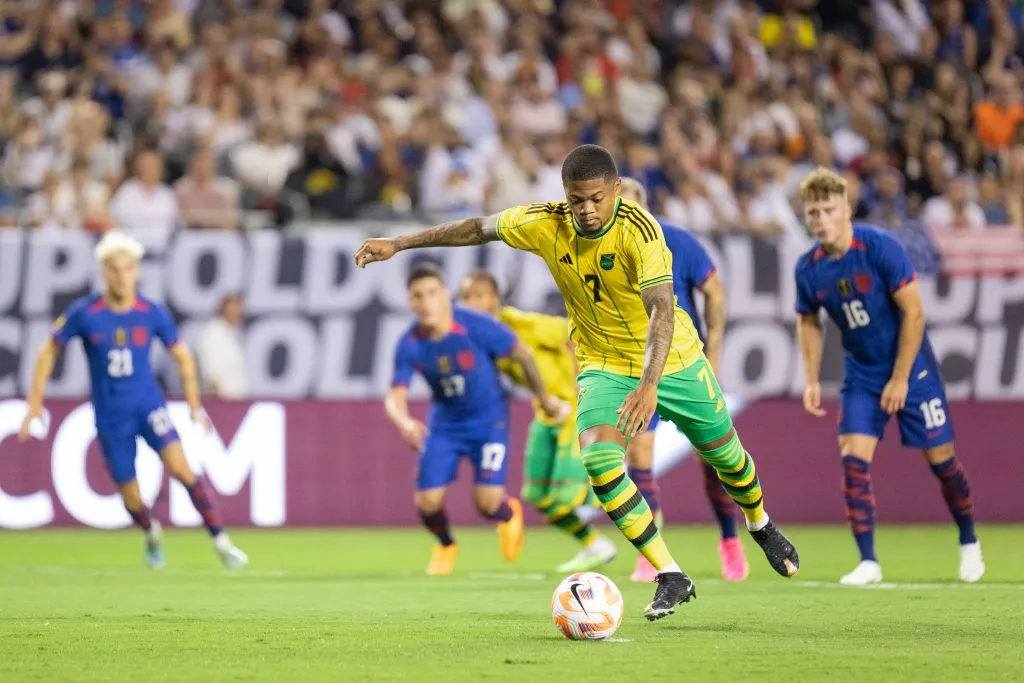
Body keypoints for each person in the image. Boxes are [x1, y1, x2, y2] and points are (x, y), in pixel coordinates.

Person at [357, 144, 800, 622]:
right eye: (576, 199)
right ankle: (670, 573)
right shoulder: (545, 221)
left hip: (674, 361)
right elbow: (474, 228)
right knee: (601, 464)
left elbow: (662, 313)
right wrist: (400, 243)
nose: (585, 210)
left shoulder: (642, 232)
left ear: (615, 190)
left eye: (595, 198)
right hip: (603, 364)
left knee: (726, 458)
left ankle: (760, 523)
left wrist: (649, 385)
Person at [794, 167, 984, 585]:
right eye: (813, 213)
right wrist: (810, 378)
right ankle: (868, 561)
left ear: (846, 209)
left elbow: (914, 312)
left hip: (912, 369)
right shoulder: (808, 268)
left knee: (943, 463)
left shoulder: (880, 246)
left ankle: (969, 541)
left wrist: (900, 379)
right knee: (853, 460)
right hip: (862, 373)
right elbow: (807, 320)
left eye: (828, 210)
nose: (821, 220)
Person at [18, 232, 248, 570]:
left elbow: (183, 356)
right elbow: (48, 350)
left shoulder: (151, 312)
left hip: (149, 406)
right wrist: (34, 403)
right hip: (111, 417)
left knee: (182, 468)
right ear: (104, 273)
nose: (122, 276)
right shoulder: (85, 312)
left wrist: (194, 404)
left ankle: (222, 542)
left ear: (137, 272)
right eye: (115, 269)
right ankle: (151, 530)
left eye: (128, 269)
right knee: (131, 496)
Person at [386, 263, 564, 576]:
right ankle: (445, 544)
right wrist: (405, 422)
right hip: (445, 425)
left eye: (431, 293)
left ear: (444, 295)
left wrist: (545, 398)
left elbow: (522, 354)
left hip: (488, 422)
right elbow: (395, 395)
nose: (425, 302)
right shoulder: (410, 343)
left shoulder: (476, 325)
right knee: (427, 502)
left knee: (486, 504)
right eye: (417, 296)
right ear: (410, 302)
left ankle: (509, 514)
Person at [617, 178, 749, 584]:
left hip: (682, 363)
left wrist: (713, 353)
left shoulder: (676, 241)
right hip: (634, 367)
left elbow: (715, 292)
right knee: (639, 453)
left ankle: (730, 540)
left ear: (646, 208)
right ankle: (650, 552)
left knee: (711, 457)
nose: (628, 215)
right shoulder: (601, 247)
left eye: (633, 206)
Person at [458, 271, 618, 573]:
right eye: (466, 298)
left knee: (567, 494)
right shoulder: (478, 339)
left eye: (479, 295)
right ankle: (594, 544)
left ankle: (616, 488)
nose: (472, 303)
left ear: (495, 299)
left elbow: (572, 333)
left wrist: (582, 388)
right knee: (537, 495)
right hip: (545, 413)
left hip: (571, 410)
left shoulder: (521, 324)